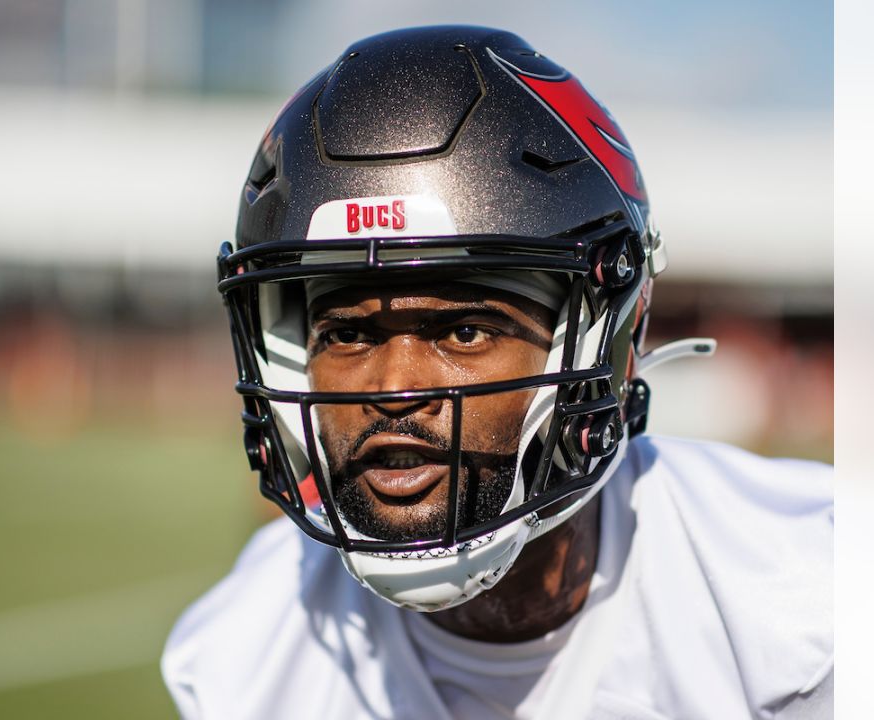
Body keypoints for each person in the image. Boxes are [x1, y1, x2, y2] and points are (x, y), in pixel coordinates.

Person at [163, 25, 832, 719]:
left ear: (600, 342)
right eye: (350, 333)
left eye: (464, 330)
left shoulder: (812, 609)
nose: (396, 389)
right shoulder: (243, 661)